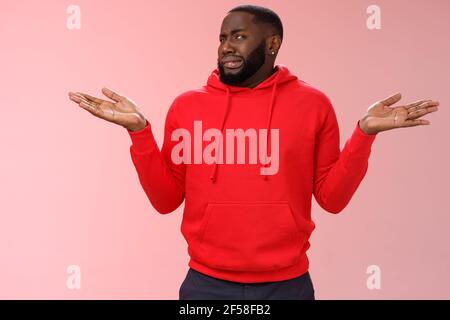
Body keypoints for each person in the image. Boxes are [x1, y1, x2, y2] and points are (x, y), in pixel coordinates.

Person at [68, 5, 439, 300]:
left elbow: (332, 198)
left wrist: (363, 135)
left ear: (273, 43)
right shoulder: (186, 107)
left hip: (287, 286)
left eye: (239, 36)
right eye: (222, 38)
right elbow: (166, 200)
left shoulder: (313, 104)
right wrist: (139, 133)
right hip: (206, 286)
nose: (226, 47)